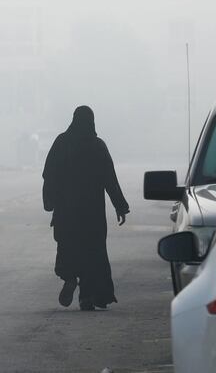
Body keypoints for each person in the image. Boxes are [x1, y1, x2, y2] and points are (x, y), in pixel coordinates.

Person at [42, 106, 130, 311]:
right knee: (93, 252)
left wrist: (50, 202)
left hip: (66, 212)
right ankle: (87, 296)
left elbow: (49, 174)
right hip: (92, 213)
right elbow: (110, 179)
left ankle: (70, 277)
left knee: (67, 247)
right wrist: (120, 206)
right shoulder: (98, 146)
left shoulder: (62, 143)